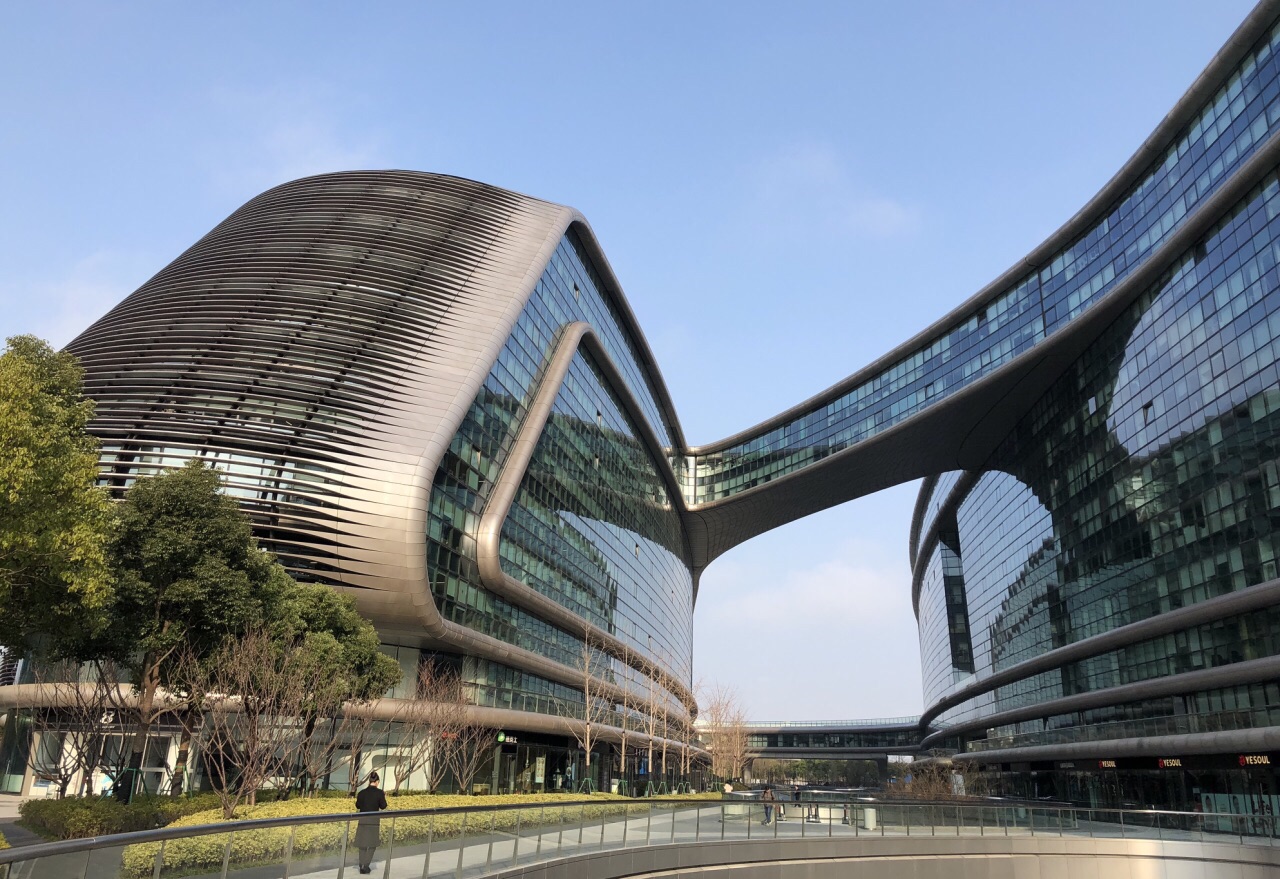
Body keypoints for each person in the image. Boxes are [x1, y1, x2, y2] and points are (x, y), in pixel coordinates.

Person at [355, 771, 389, 874]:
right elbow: (383, 806)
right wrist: (384, 796)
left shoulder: (361, 793)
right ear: (377, 781)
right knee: (372, 844)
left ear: (369, 781)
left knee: (362, 843)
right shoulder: (379, 793)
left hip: (362, 821)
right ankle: (366, 865)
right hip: (373, 822)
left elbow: (358, 806)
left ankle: (361, 863)